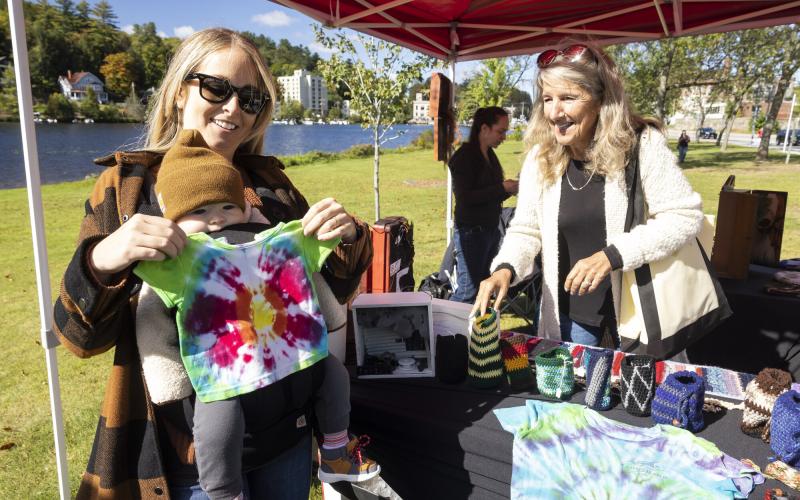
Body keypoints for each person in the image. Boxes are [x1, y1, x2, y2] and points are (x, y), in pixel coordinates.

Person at [52, 28, 373, 499]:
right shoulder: (125, 191)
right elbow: (76, 336)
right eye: (217, 88)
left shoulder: (271, 189)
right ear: (180, 90)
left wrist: (347, 239)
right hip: (185, 456)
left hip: (285, 437)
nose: (233, 109)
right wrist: (105, 259)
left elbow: (327, 296)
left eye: (250, 98)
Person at [134, 129, 379, 499]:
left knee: (333, 375)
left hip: (291, 359)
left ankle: (334, 449)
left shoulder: (280, 240)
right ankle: (223, 493)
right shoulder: (184, 262)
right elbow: (141, 284)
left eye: (226, 207)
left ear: (245, 207)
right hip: (226, 370)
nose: (216, 219)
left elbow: (320, 250)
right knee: (218, 421)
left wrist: (344, 233)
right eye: (198, 212)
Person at [473, 43, 703, 347]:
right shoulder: (541, 158)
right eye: (547, 99)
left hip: (639, 316)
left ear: (600, 100)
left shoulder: (642, 146)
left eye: (568, 98)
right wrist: (505, 269)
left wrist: (612, 256)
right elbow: (526, 229)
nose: (555, 113)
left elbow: (684, 217)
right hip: (571, 317)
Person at [449, 106, 519, 303]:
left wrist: (509, 189)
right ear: (484, 129)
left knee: (483, 289)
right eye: (501, 131)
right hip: (471, 233)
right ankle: (443, 330)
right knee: (467, 291)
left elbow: (490, 196)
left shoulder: (490, 156)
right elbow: (466, 198)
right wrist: (503, 188)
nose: (504, 137)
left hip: (489, 231)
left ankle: (475, 333)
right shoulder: (464, 157)